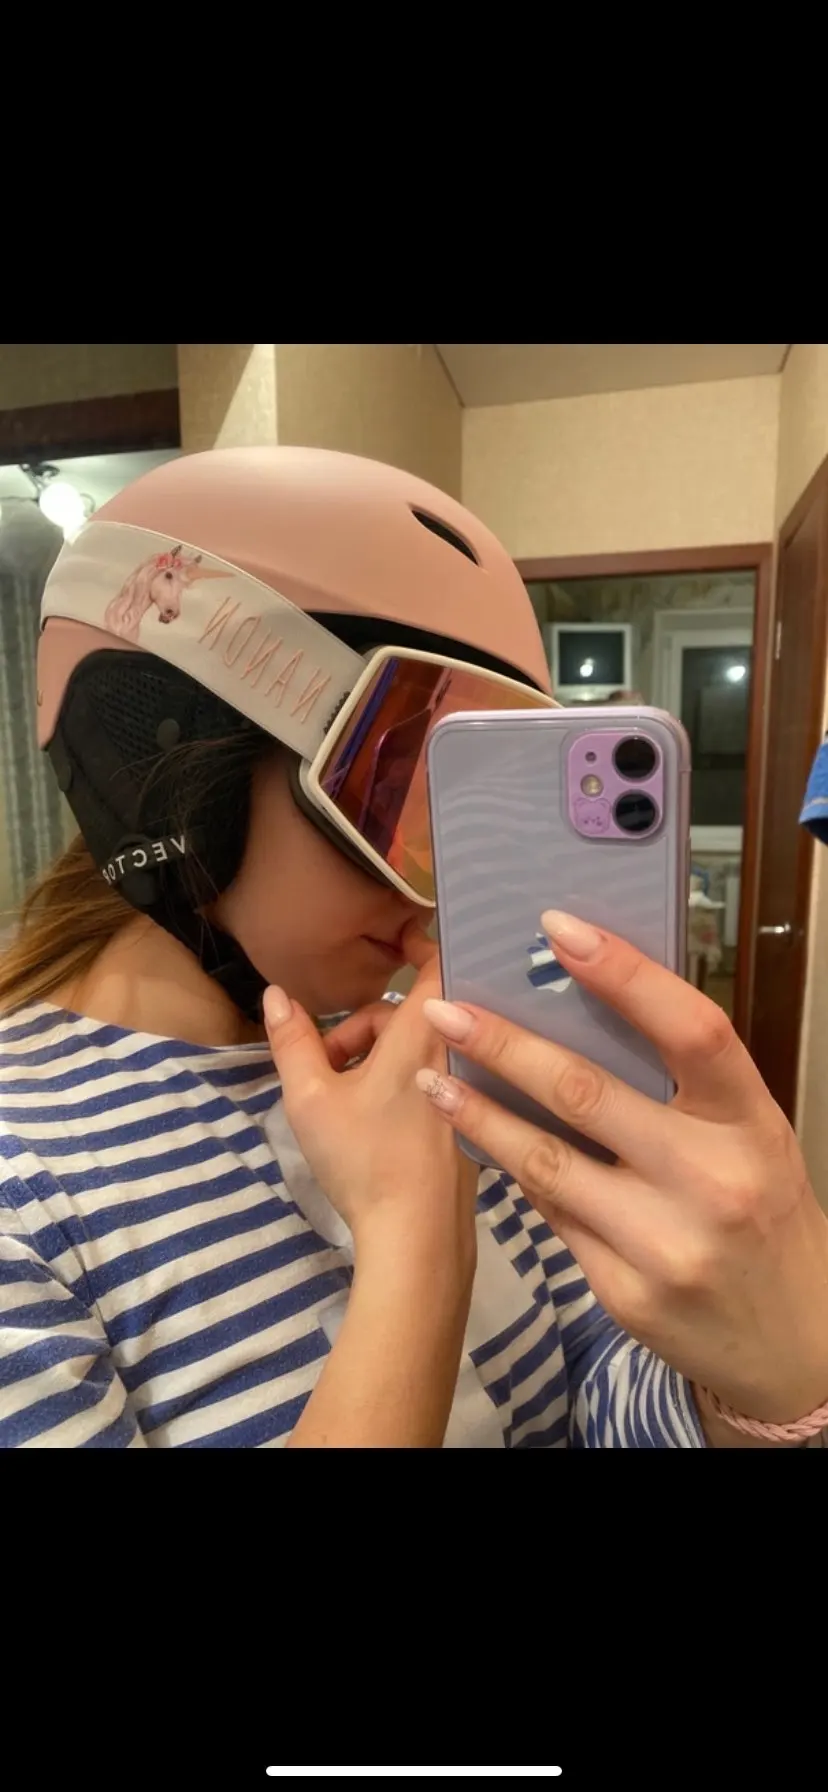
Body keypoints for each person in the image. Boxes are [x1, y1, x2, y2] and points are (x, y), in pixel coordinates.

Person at [1, 446, 826, 1449]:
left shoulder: (417, 1059)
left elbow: (595, 1395)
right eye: (396, 799)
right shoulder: (21, 1182)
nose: (427, 900)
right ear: (164, 760)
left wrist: (769, 1386)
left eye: (467, 815)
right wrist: (414, 1247)